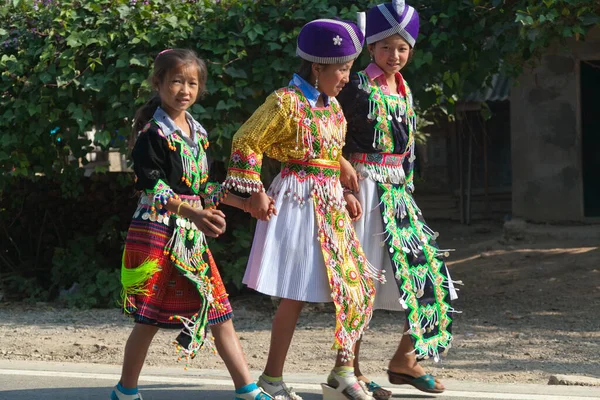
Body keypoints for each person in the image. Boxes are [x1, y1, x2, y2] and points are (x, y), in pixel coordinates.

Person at [218, 18, 383, 400]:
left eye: (348, 68)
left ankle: (343, 371)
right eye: (341, 69)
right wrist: (253, 190)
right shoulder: (284, 102)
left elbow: (329, 150)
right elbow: (246, 139)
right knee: (295, 293)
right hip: (297, 198)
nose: (345, 77)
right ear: (317, 67)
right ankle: (272, 377)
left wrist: (344, 184)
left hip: (329, 200)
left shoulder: (334, 106)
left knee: (354, 286)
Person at [112, 48, 272, 400]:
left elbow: (202, 187)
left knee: (219, 310)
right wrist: (193, 214)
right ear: (158, 83)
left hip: (189, 234)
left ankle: (247, 389)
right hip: (158, 232)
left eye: (192, 83)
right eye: (177, 81)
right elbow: (151, 186)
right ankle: (125, 391)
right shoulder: (152, 134)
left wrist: (244, 203)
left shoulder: (197, 133)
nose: (185, 90)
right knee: (149, 318)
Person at [337, 1, 461, 398]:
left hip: (397, 193)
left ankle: (404, 359)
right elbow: (326, 133)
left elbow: (406, 152)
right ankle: (347, 370)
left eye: (402, 48)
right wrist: (343, 181)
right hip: (362, 188)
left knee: (431, 277)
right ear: (370, 48)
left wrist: (408, 188)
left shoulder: (404, 89)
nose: (395, 56)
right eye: (386, 47)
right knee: (360, 284)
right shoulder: (355, 86)